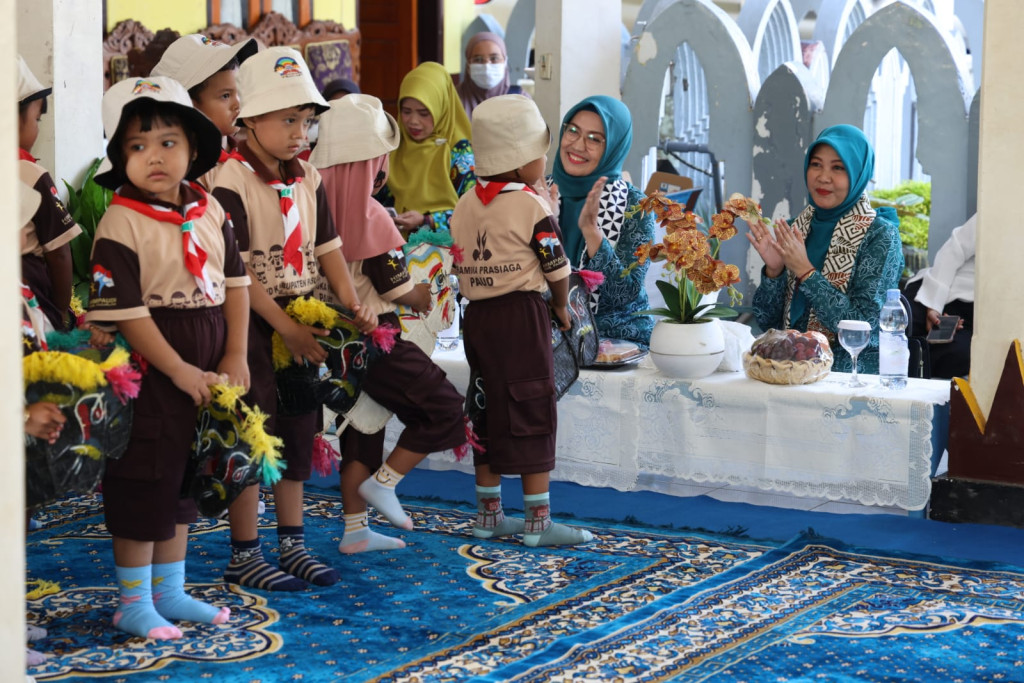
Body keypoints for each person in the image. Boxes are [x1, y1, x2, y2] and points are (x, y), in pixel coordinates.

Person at [85, 75, 251, 639]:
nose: (153, 156)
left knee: (183, 476)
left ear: (195, 148)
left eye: (167, 141)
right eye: (136, 146)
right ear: (119, 158)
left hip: (203, 371)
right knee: (142, 479)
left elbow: (235, 284)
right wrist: (177, 368)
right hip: (149, 375)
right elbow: (128, 312)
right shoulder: (120, 223)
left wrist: (235, 351)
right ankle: (133, 602)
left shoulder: (210, 211)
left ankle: (170, 591)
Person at [212, 47, 377, 590]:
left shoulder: (307, 177)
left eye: (306, 121)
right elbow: (236, 272)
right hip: (252, 323)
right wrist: (283, 327)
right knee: (253, 432)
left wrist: (351, 302)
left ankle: (293, 543)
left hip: (303, 314)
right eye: (287, 120)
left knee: (298, 429)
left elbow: (328, 245)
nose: (299, 132)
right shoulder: (228, 183)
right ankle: (244, 552)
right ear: (248, 121)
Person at [310, 94, 469, 552]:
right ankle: (385, 482)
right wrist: (435, 288)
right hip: (375, 340)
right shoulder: (371, 216)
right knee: (444, 408)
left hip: (334, 344)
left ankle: (356, 531)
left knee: (363, 426)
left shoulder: (309, 210)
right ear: (371, 162)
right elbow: (402, 292)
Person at [451, 94, 593, 547]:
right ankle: (538, 522)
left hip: (477, 320)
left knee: (486, 404)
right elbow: (557, 267)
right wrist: (560, 308)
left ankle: (488, 515)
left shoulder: (465, 203)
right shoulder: (532, 207)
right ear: (517, 162)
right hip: (521, 318)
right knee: (532, 406)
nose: (543, 161)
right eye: (539, 153)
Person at [747, 124, 904, 374]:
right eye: (816, 164)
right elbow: (767, 323)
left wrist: (806, 273)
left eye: (838, 168)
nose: (823, 177)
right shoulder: (796, 229)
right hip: (789, 372)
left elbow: (865, 327)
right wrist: (774, 272)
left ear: (858, 173)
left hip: (849, 379)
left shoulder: (880, 236)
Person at [549, 95, 656, 348]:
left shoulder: (636, 208)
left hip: (616, 341)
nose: (578, 145)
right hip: (547, 336)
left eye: (594, 139)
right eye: (573, 131)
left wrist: (592, 233)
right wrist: (547, 224)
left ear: (614, 148)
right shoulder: (541, 193)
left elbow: (625, 294)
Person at [17, 55, 82, 332]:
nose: (37, 128)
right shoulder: (30, 174)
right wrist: (60, 311)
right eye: (37, 119)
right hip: (26, 300)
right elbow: (59, 254)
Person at [150, 33, 258, 191]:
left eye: (239, 92)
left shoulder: (250, 155)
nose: (237, 104)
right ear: (189, 106)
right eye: (225, 96)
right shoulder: (184, 173)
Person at [378, 61, 476, 234]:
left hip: (447, 254)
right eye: (406, 112)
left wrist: (427, 220)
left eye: (424, 113)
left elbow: (475, 213)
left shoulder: (459, 153)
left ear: (442, 109)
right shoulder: (394, 148)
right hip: (395, 252)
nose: (413, 121)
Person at [905, 213, 976, 379]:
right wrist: (934, 305)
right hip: (933, 291)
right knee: (890, 329)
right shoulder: (1002, 208)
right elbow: (955, 248)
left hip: (972, 320)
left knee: (958, 356)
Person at [456, 32, 524, 119]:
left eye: (494, 58)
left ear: (505, 62)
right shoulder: (454, 99)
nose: (486, 66)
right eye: (478, 59)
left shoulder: (521, 100)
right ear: (468, 64)